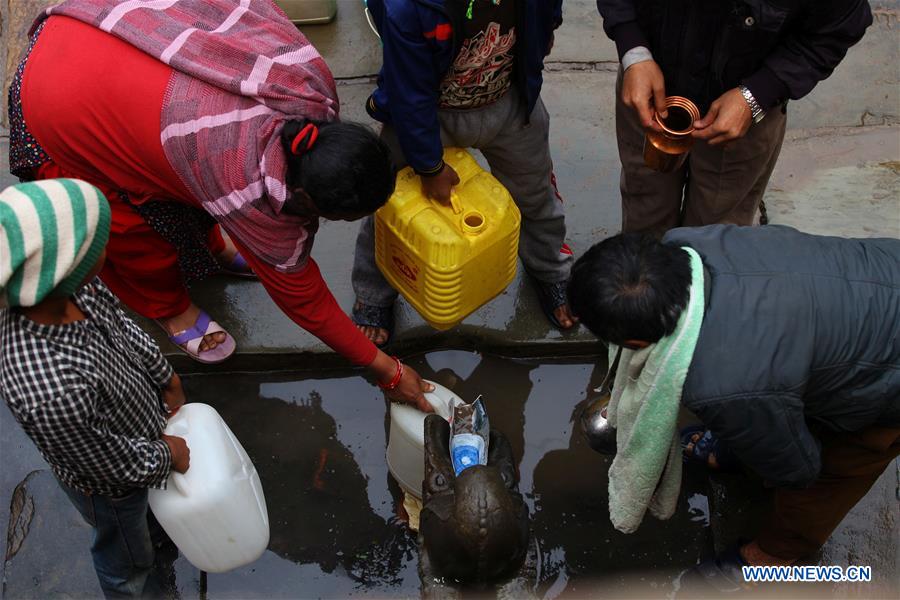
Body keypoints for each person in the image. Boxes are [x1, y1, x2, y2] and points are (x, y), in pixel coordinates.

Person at [9, 0, 432, 409]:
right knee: (138, 231)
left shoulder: (309, 84)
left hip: (125, 28)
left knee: (185, 187)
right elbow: (306, 302)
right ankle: (170, 308)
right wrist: (388, 372)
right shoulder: (240, 180)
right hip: (58, 96)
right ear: (304, 199)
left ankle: (212, 248)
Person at [567, 225, 899, 590]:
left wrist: (767, 451)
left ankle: (775, 557)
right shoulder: (693, 241)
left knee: (830, 473)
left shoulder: (722, 385)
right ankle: (749, 439)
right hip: (881, 274)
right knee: (768, 410)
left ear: (634, 342)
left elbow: (798, 470)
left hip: (889, 377)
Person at [0, 179, 190, 598]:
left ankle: (156, 544)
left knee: (153, 530)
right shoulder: (47, 390)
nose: (106, 247)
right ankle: (137, 588)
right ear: (64, 268)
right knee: (126, 555)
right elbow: (105, 462)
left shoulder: (76, 287)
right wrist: (165, 454)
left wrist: (165, 376)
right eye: (96, 242)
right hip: (110, 487)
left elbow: (122, 327)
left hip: (137, 432)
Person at [351, 0, 577, 345]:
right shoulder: (406, 8)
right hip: (429, 113)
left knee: (535, 192)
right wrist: (429, 165)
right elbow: (409, 94)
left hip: (508, 99)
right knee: (391, 203)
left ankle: (549, 268)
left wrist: (548, 25)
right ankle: (374, 291)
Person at [595, 0, 873, 236]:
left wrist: (757, 95)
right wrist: (633, 51)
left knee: (716, 232)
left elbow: (839, 27)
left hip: (743, 118)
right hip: (649, 90)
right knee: (645, 210)